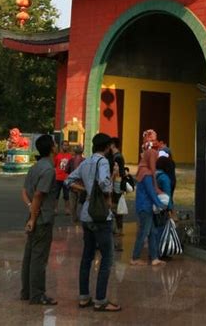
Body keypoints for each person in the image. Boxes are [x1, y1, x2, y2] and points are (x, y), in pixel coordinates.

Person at [65, 132, 121, 312]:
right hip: (100, 215)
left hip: (86, 214)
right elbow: (105, 185)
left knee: (87, 256)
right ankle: (101, 299)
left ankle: (83, 297)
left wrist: (86, 190)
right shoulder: (102, 161)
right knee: (107, 257)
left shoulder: (86, 162)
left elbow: (68, 180)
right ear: (106, 147)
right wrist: (112, 178)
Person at [20, 133, 58, 305]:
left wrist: (30, 211)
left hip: (34, 215)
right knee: (39, 257)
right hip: (42, 219)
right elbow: (38, 195)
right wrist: (34, 218)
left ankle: (26, 291)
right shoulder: (48, 169)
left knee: (29, 255)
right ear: (51, 148)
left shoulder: (35, 167)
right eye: (55, 144)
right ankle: (37, 294)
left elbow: (24, 192)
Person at [130, 148, 166, 267]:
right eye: (153, 159)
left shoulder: (143, 171)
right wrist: (159, 204)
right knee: (143, 233)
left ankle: (155, 257)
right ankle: (135, 257)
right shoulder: (146, 174)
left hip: (145, 206)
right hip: (145, 207)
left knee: (152, 232)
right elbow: (151, 192)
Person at [109, 137, 126, 249]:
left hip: (117, 184)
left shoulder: (118, 157)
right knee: (115, 206)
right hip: (116, 184)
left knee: (116, 207)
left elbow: (120, 172)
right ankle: (117, 228)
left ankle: (119, 229)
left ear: (113, 145)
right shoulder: (116, 156)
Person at [66, 145, 85, 223]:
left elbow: (66, 170)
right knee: (82, 203)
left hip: (72, 184)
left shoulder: (71, 160)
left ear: (74, 152)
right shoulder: (85, 160)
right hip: (82, 185)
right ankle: (83, 217)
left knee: (73, 203)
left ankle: (73, 218)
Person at [54, 139, 72, 215]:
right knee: (56, 195)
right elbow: (54, 166)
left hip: (66, 179)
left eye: (67, 145)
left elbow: (71, 168)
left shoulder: (70, 156)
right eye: (64, 145)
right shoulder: (57, 156)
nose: (65, 146)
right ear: (61, 146)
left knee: (66, 195)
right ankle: (55, 209)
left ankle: (67, 210)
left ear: (68, 147)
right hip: (58, 178)